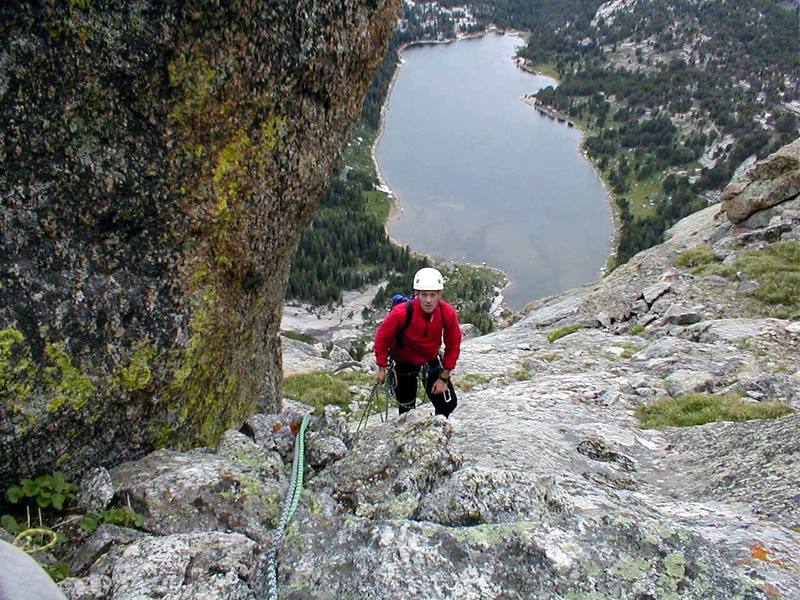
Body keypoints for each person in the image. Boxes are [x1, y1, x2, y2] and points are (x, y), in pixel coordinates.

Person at [374, 267, 462, 417]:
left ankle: (438, 430)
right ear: (417, 294)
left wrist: (444, 377)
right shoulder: (400, 313)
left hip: (430, 359)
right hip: (404, 363)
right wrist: (382, 367)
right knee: (407, 409)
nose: (428, 300)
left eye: (433, 295)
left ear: (439, 294)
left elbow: (453, 344)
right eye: (424, 295)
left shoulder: (447, 313)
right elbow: (381, 338)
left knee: (447, 405)